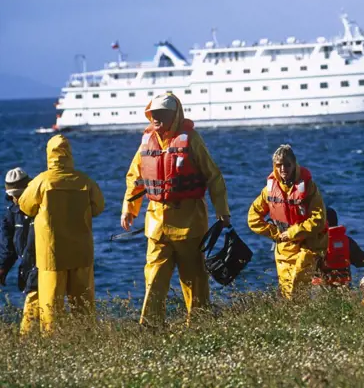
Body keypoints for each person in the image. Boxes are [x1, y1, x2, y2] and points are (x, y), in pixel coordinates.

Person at [121, 93, 230, 326]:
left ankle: (199, 323)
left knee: (194, 279)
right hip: (156, 223)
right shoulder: (146, 142)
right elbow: (135, 178)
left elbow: (214, 176)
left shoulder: (191, 139)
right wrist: (129, 209)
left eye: (161, 114)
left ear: (175, 115)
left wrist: (222, 211)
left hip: (189, 223)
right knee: (154, 277)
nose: (156, 118)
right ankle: (150, 326)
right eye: (153, 114)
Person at [18, 135, 105, 333]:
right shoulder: (85, 181)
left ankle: (53, 342)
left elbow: (25, 206)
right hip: (81, 252)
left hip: (52, 254)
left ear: (49, 154)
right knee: (84, 304)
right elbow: (99, 207)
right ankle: (87, 338)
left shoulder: (42, 181)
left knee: (51, 305)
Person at [248, 144, 327, 300]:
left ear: (294, 164)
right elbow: (253, 217)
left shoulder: (309, 187)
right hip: (284, 247)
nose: (283, 169)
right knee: (288, 292)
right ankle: (296, 320)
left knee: (299, 281)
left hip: (308, 244)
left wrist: (292, 232)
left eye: (287, 164)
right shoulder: (269, 190)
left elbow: (319, 219)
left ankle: (303, 315)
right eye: (279, 165)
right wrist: (276, 234)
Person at [1, 168, 39, 335]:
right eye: (13, 195)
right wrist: (2, 268)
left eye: (19, 194)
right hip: (28, 270)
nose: (16, 199)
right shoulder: (11, 215)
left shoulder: (41, 210)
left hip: (43, 268)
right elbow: (8, 248)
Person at [315, 207, 364, 287]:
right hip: (343, 287)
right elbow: (362, 262)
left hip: (320, 288)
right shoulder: (347, 240)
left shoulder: (317, 242)